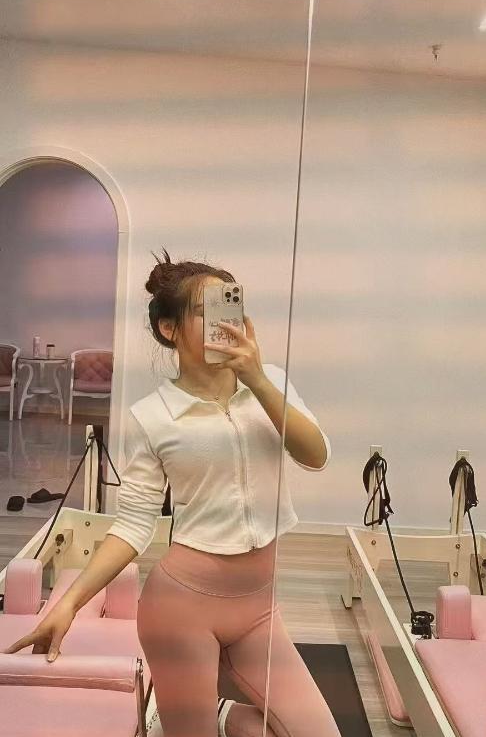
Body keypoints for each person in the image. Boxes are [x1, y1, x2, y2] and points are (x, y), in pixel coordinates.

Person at [4, 249, 340, 737]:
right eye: (207, 311)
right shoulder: (153, 416)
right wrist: (69, 603)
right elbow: (133, 525)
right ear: (169, 329)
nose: (227, 322)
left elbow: (316, 455)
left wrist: (257, 380)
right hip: (181, 610)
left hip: (259, 609)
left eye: (232, 306)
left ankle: (220, 713)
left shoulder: (271, 385)